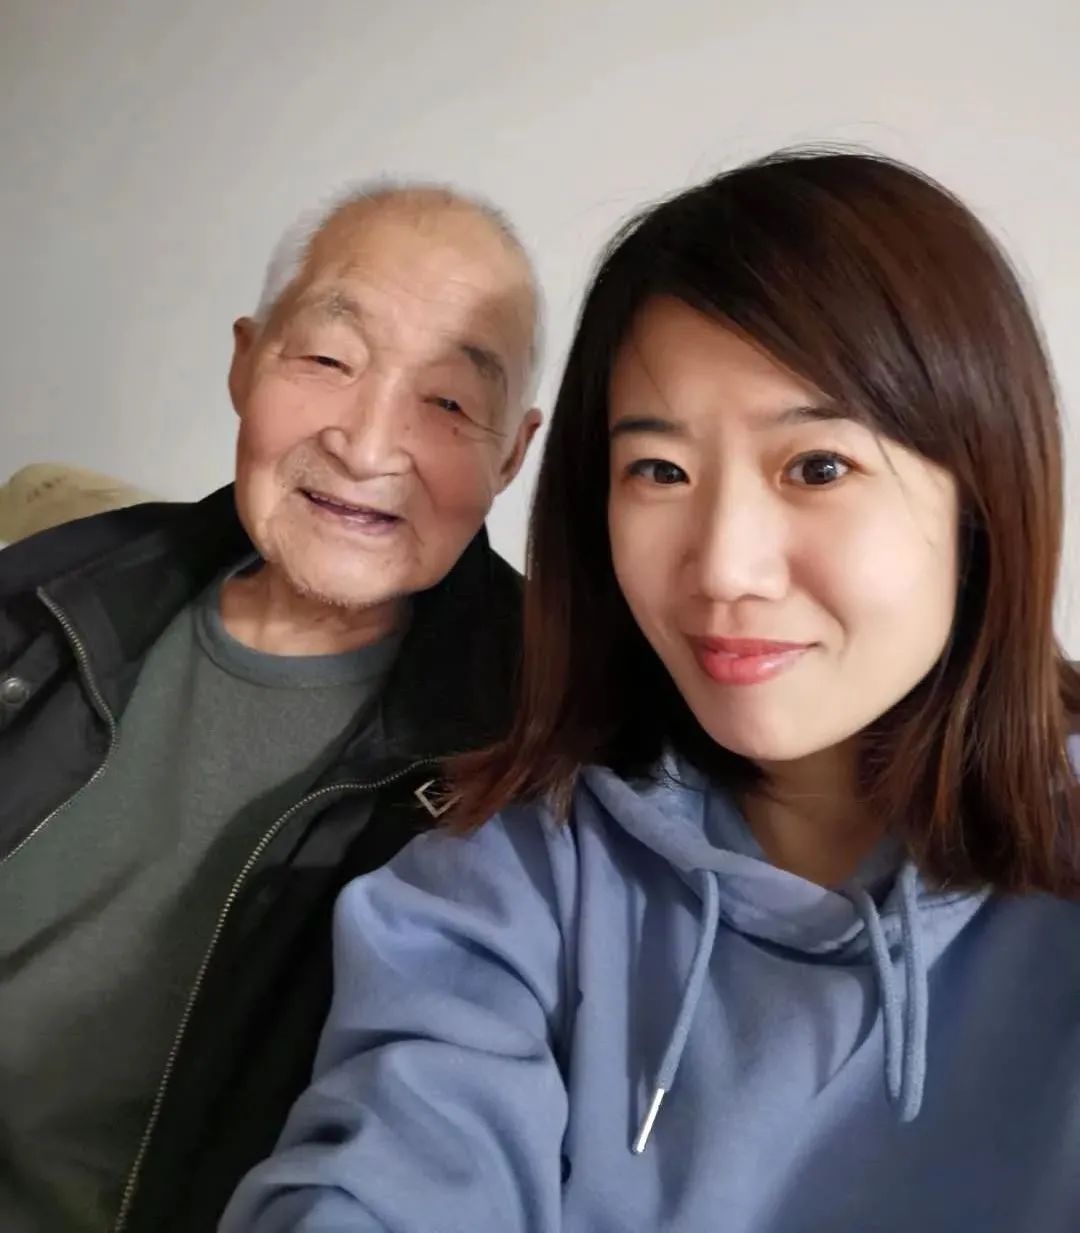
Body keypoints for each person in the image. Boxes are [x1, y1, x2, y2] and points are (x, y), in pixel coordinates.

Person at [223, 149, 1080, 1233]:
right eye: (659, 472)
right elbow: (396, 1162)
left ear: (981, 490)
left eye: (816, 467)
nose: (722, 567)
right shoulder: (514, 872)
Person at [0, 182, 542, 1233]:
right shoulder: (50, 590)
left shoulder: (539, 738)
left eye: (448, 402)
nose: (368, 446)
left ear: (511, 453)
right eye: (331, 360)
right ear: (247, 360)